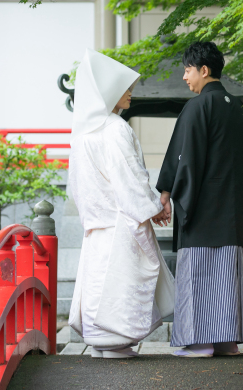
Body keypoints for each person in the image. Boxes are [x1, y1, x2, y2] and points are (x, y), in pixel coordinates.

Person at [67, 49, 175, 358]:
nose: (131, 93)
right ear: (108, 92)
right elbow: (130, 177)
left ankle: (101, 341)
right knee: (119, 283)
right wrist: (155, 206)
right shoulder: (114, 129)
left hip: (98, 225)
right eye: (125, 88)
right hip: (120, 222)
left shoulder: (82, 134)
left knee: (99, 281)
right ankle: (115, 341)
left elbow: (77, 187)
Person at [156, 41, 243, 358]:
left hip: (201, 209)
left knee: (199, 272)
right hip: (230, 210)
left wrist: (168, 194)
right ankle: (227, 341)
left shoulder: (198, 107)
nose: (185, 77)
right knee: (226, 274)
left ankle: (200, 341)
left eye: (188, 70)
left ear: (204, 70)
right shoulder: (239, 108)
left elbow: (184, 158)